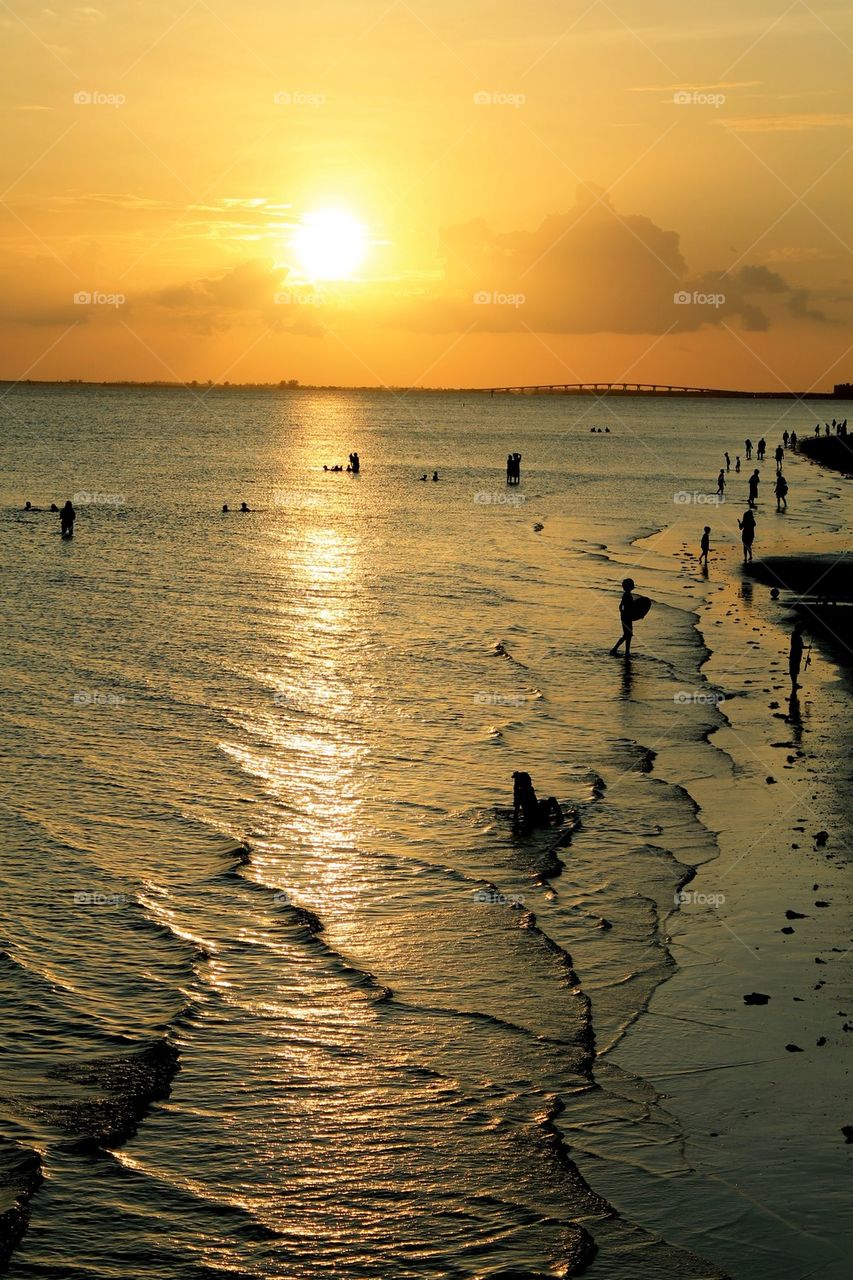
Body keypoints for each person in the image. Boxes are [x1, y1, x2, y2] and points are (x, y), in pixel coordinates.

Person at [609, 577, 636, 656]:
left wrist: (622, 614)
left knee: (628, 635)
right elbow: (626, 606)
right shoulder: (627, 595)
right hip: (627, 617)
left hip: (625, 617)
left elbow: (620, 606)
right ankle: (616, 649)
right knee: (627, 635)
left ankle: (624, 651)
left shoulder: (625, 595)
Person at [788, 621, 806, 692]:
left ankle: (794, 684)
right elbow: (799, 646)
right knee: (794, 670)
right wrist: (807, 647)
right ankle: (794, 684)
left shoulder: (795, 635)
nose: (802, 631)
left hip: (795, 655)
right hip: (795, 655)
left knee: (794, 669)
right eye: (802, 629)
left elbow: (800, 646)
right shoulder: (796, 636)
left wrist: (806, 647)